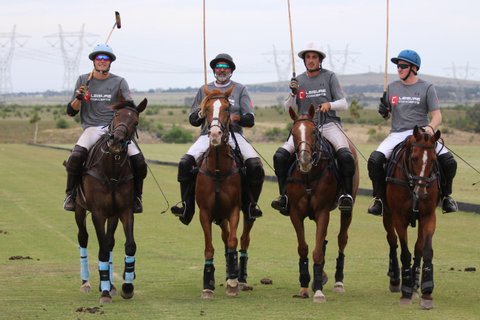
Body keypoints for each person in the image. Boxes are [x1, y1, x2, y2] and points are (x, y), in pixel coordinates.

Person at [170, 53, 265, 225]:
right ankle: (186, 206)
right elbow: (193, 120)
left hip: (234, 135)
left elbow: (250, 119)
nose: (222, 70)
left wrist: (236, 118)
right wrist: (201, 112)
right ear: (214, 70)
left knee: (254, 165)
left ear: (231, 71)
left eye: (225, 68)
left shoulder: (240, 89)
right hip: (208, 134)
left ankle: (251, 205)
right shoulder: (203, 90)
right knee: (185, 163)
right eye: (218, 67)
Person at [367, 49, 458, 216]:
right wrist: (384, 112)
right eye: (397, 66)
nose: (399, 69)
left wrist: (429, 129)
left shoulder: (427, 87)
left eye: (403, 66)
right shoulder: (391, 87)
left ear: (414, 68)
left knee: (449, 162)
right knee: (374, 160)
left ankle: (446, 197)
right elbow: (388, 116)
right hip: (397, 133)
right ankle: (379, 199)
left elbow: (437, 116)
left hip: (421, 134)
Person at [271, 42, 356, 216]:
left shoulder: (330, 77)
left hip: (329, 124)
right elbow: (287, 107)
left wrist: (329, 104)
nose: (311, 60)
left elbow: (344, 103)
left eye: (314, 57)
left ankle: (346, 195)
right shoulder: (298, 81)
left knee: (345, 155)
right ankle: (284, 196)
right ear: (304, 60)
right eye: (308, 57)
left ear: (320, 60)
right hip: (305, 128)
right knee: (280, 156)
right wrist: (293, 93)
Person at [63, 43, 147, 213]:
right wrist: (79, 98)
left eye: (105, 58)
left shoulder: (119, 81)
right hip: (92, 128)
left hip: (115, 130)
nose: (102, 61)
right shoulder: (83, 80)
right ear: (94, 61)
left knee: (139, 161)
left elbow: (129, 105)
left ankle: (137, 198)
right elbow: (71, 111)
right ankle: (70, 195)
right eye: (99, 58)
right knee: (76, 157)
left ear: (110, 62)